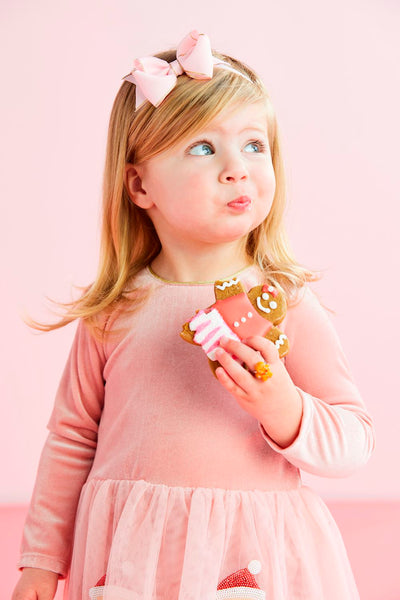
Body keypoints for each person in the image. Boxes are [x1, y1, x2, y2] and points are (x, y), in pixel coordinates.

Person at [12, 29, 375, 600]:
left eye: (255, 146)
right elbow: (72, 437)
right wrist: (40, 560)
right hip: (130, 557)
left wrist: (283, 408)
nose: (237, 168)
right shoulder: (116, 310)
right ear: (139, 184)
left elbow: (354, 438)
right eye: (204, 148)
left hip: (248, 558)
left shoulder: (284, 303)